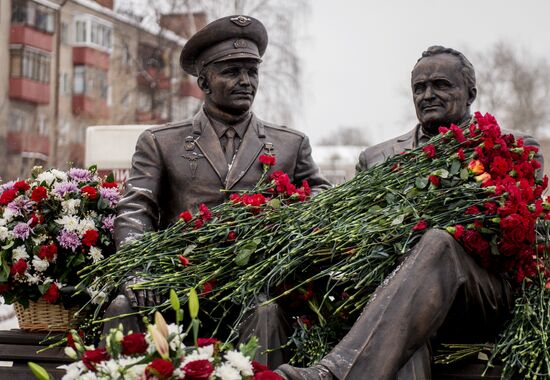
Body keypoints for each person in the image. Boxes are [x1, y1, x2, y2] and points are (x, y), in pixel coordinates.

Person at [276, 46, 544, 379]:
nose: (428, 95)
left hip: (480, 292)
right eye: (419, 88)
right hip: (405, 291)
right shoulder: (377, 158)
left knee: (438, 242)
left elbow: (508, 239)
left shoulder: (515, 149)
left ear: (471, 91)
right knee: (403, 315)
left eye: (441, 85)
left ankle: (333, 374)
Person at [103, 15, 331, 367]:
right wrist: (139, 271)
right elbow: (136, 210)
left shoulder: (290, 144)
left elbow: (321, 203)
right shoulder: (161, 142)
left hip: (253, 285)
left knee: (268, 311)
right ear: (204, 81)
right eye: (232, 71)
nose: (245, 81)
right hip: (176, 283)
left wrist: (288, 226)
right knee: (121, 306)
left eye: (252, 72)